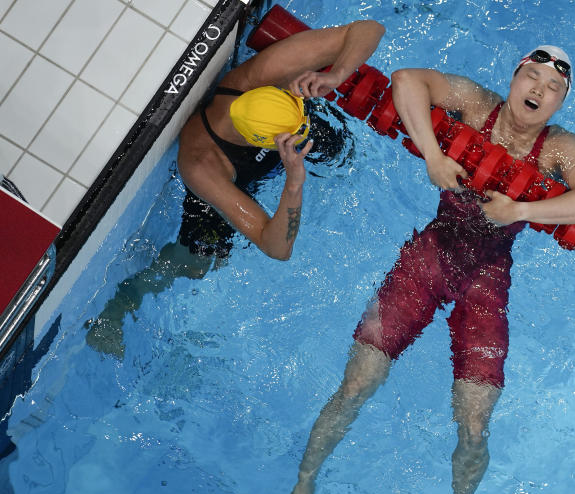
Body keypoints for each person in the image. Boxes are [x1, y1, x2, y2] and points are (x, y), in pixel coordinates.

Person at [270, 46, 575, 494]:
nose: (537, 88)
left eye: (551, 87)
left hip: (487, 276)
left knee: (474, 423)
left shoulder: (563, 151)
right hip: (431, 255)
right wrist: (431, 156)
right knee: (358, 381)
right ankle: (302, 490)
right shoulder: (475, 105)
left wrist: (520, 210)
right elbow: (406, 80)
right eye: (531, 75)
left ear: (560, 101)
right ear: (513, 77)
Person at [85, 18, 385, 358]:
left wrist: (336, 74)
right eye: (295, 131)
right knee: (199, 261)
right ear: (268, 143)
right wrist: (293, 183)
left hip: (269, 136)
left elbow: (368, 29)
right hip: (232, 179)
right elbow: (276, 247)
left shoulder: (258, 76)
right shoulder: (202, 166)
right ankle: (120, 305)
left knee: (342, 151)